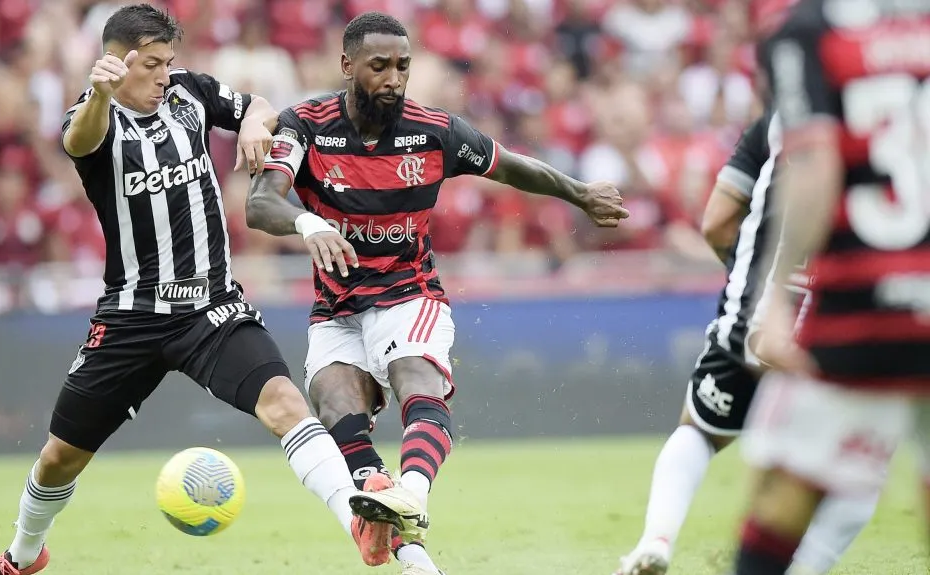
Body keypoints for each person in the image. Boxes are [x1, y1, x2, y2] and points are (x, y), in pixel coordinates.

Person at [0, 6, 419, 575]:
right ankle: (23, 554)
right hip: (131, 317)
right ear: (119, 62)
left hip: (212, 306)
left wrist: (256, 121)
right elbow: (80, 140)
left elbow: (253, 103)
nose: (164, 74)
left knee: (284, 403)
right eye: (153, 64)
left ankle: (356, 521)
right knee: (60, 457)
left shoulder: (189, 94)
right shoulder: (93, 118)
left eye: (168, 62)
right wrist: (100, 95)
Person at [246, 11, 630, 575]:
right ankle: (411, 554)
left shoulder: (435, 131)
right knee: (334, 407)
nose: (394, 78)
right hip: (337, 309)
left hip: (410, 295)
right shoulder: (306, 126)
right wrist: (310, 225)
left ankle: (414, 496)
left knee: (416, 379)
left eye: (403, 66)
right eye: (380, 66)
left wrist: (579, 194)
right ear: (347, 65)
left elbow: (510, 167)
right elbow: (261, 203)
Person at [613, 103, 878, 575]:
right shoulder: (889, 120)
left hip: (760, 313)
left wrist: (744, 278)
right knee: (858, 471)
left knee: (699, 428)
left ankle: (655, 540)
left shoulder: (781, 119)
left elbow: (717, 221)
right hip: (849, 316)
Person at [731, 1, 930, 573]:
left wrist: (779, 298)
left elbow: (815, 168)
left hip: (863, 304)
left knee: (783, 494)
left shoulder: (808, 31)